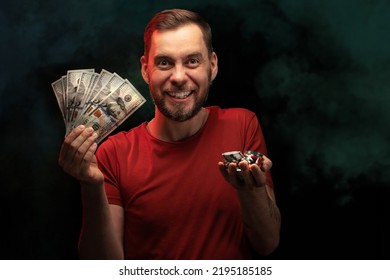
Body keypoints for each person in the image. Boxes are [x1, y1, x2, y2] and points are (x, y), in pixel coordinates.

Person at [58, 8, 281, 260]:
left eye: (192, 61)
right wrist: (91, 186)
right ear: (145, 69)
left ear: (213, 66)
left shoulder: (242, 125)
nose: (178, 77)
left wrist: (252, 190)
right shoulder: (113, 154)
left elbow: (268, 243)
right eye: (164, 62)